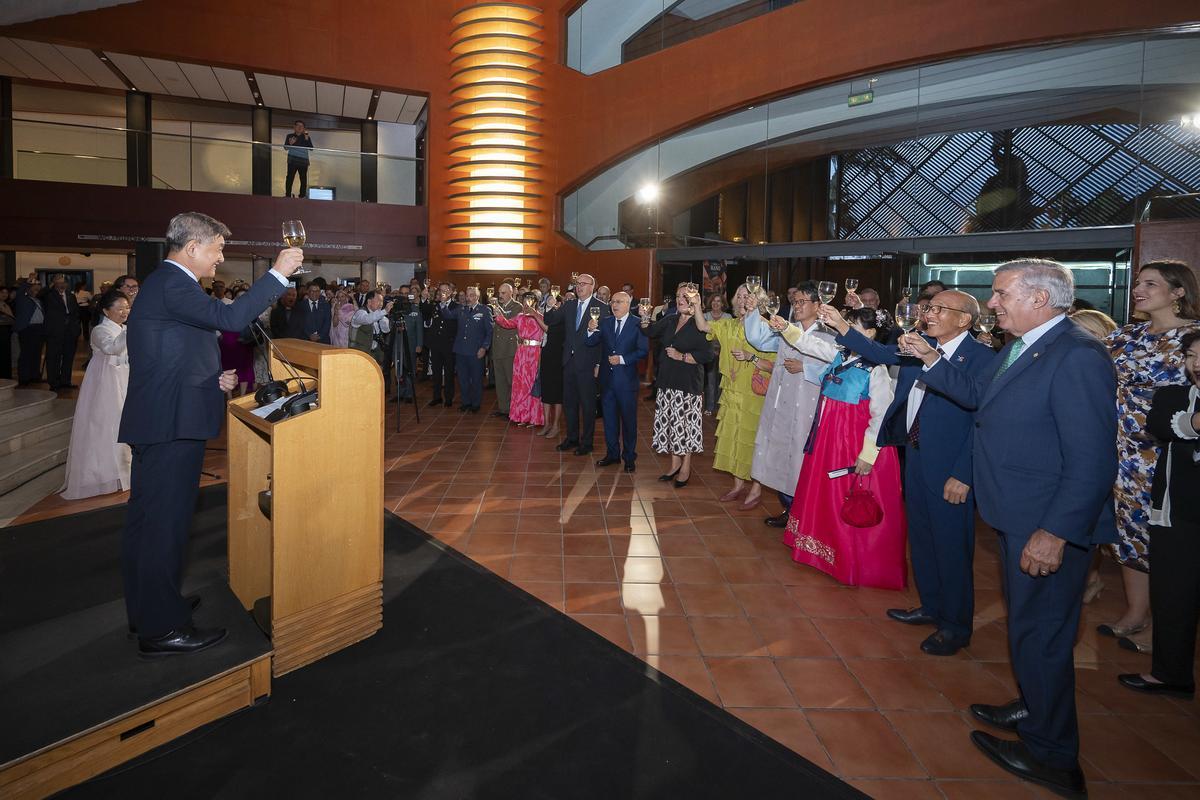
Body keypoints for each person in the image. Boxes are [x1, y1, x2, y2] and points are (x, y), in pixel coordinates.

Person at [900, 258, 1116, 798]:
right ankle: (1034, 708)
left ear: (1040, 299)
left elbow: (1092, 458)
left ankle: (1052, 755)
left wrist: (1055, 532)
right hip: (1018, 512)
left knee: (1042, 634)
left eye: (1000, 294)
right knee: (1029, 628)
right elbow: (980, 397)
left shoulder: (1076, 355)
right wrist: (930, 358)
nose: (992, 303)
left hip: (1044, 521)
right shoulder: (1024, 347)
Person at [120, 211, 302, 657]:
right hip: (170, 422)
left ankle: (150, 607)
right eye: (218, 249)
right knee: (163, 526)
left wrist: (210, 377)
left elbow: (171, 349)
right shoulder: (173, 283)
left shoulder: (167, 285)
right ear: (193, 247)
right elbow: (232, 317)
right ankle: (161, 630)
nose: (221, 259)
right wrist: (278, 273)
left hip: (165, 415)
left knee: (149, 523)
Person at [827, 290, 996, 654]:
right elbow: (880, 353)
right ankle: (931, 606)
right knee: (921, 539)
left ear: (964, 319)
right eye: (927, 308)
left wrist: (965, 473)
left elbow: (981, 418)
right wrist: (841, 325)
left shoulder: (982, 358)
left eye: (938, 309)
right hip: (916, 456)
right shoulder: (922, 345)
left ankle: (955, 626)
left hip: (951, 468)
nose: (928, 313)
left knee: (951, 548)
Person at [1099, 260, 1199, 653]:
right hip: (1122, 447)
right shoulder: (1126, 335)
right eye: (1138, 283)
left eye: (1151, 284)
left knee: (1166, 538)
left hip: (1169, 449)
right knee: (1129, 530)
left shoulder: (1192, 338)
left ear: (1178, 292)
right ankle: (1135, 612)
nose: (1139, 289)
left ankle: (1164, 624)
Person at [768, 308, 905, 589]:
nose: (845, 330)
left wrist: (868, 454)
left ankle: (850, 560)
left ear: (869, 334)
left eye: (852, 325)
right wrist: (786, 328)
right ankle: (820, 550)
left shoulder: (876, 369)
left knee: (848, 498)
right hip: (829, 439)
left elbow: (880, 416)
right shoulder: (840, 355)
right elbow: (810, 344)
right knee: (824, 495)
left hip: (853, 444)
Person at [1118, 330, 1200, 699]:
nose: (1196, 364)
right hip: (1178, 513)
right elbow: (1164, 426)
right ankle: (1171, 674)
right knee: (1173, 594)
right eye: (1191, 356)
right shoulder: (1173, 396)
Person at [743, 282, 834, 528]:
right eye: (795, 301)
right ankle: (789, 509)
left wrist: (806, 368)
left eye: (803, 301)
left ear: (817, 305)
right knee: (781, 454)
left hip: (807, 405)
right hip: (781, 402)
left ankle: (805, 515)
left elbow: (837, 370)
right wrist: (752, 312)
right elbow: (759, 340)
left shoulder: (829, 335)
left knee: (800, 458)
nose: (797, 306)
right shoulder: (787, 329)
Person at [61, 291, 133, 500]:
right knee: (105, 426)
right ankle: (103, 474)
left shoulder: (126, 329)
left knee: (123, 424)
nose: (125, 312)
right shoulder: (100, 330)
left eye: (127, 307)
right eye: (120, 308)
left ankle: (123, 473)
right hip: (105, 383)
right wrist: (133, 330)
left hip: (125, 380)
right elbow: (112, 348)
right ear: (106, 311)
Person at [708, 283, 772, 508]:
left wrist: (751, 357)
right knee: (733, 437)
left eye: (748, 296)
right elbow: (704, 326)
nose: (743, 300)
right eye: (740, 295)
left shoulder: (766, 327)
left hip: (754, 394)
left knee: (752, 441)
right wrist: (695, 305)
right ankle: (737, 486)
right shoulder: (730, 324)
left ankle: (756, 489)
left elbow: (776, 365)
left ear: (758, 301)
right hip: (731, 390)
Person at [641, 287, 712, 487]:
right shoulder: (671, 319)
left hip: (687, 384)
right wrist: (644, 316)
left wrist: (682, 356)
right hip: (666, 381)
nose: (680, 299)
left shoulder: (701, 324)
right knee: (671, 425)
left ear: (694, 300)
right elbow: (649, 331)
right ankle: (674, 465)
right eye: (678, 296)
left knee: (685, 428)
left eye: (685, 297)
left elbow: (708, 355)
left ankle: (685, 467)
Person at [544, 273, 609, 455]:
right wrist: (549, 306)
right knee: (569, 403)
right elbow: (551, 320)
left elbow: (603, 340)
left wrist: (598, 364)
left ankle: (587, 442)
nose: (579, 286)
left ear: (592, 287)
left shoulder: (602, 308)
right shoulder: (569, 305)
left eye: (583, 283)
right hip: (569, 362)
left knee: (588, 405)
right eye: (577, 283)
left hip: (588, 364)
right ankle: (572, 438)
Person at [588, 291, 647, 471]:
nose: (614, 305)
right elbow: (590, 342)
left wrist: (622, 359)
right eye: (613, 301)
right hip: (607, 382)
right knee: (609, 421)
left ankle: (629, 457)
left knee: (629, 422)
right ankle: (612, 454)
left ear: (628, 304)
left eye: (619, 302)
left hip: (627, 382)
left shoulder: (638, 324)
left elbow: (643, 350)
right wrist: (590, 330)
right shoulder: (605, 322)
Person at [492, 292, 546, 427]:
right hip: (521, 352)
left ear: (535, 302)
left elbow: (546, 329)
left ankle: (534, 418)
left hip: (534, 353)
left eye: (530, 300)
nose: (527, 302)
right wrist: (498, 314)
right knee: (520, 384)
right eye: (525, 300)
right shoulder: (520, 316)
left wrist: (535, 314)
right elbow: (508, 324)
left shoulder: (540, 316)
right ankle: (521, 415)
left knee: (532, 384)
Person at [442, 286, 492, 413]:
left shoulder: (484, 310)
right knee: (462, 379)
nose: (468, 298)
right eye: (467, 295)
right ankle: (466, 402)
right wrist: (443, 302)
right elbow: (448, 315)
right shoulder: (461, 309)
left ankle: (475, 403)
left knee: (476, 379)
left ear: (477, 297)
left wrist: (484, 347)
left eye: (471, 295)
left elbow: (489, 331)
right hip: (460, 350)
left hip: (476, 351)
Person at [423, 282, 458, 407]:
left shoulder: (456, 306)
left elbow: (453, 323)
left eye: (445, 290)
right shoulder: (435, 305)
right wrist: (424, 298)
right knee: (436, 372)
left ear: (451, 292)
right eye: (441, 290)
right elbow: (425, 311)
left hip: (449, 344)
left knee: (449, 373)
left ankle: (448, 398)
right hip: (436, 344)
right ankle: (436, 396)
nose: (442, 293)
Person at [43, 273, 81, 390]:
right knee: (53, 357)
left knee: (68, 357)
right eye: (59, 282)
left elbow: (76, 313)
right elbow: (40, 294)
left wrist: (76, 328)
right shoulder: (48, 295)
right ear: (54, 283)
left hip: (70, 332)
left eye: (64, 282)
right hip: (54, 332)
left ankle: (65, 381)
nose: (62, 285)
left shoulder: (71, 296)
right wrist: (50, 285)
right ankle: (53, 382)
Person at [490, 282, 520, 418]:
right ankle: (503, 409)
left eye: (503, 293)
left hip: (509, 349)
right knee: (500, 382)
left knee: (511, 381)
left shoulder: (517, 307)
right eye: (499, 293)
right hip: (497, 348)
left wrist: (498, 311)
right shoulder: (498, 306)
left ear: (511, 293)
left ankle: (514, 410)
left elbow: (509, 322)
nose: (500, 295)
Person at [537, 292, 565, 439]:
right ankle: (547, 424)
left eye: (557, 304)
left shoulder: (563, 320)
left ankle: (556, 425)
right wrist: (547, 308)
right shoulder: (551, 315)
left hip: (558, 357)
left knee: (557, 393)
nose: (554, 306)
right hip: (547, 355)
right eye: (552, 304)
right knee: (546, 390)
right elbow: (547, 319)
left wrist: (534, 315)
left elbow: (549, 329)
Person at [13, 281, 46, 385]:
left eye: (37, 289)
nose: (36, 291)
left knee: (37, 353)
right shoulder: (22, 299)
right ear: (28, 289)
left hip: (39, 329)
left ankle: (34, 376)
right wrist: (28, 281)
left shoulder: (39, 300)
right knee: (26, 353)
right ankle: (24, 378)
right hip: (27, 329)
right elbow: (20, 291)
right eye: (33, 289)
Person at [350, 291, 393, 367]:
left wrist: (383, 317)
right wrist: (384, 311)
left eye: (382, 301)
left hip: (377, 352)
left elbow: (386, 330)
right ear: (369, 301)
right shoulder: (360, 313)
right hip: (361, 353)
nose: (381, 304)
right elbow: (367, 319)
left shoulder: (379, 314)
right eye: (378, 301)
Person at [703, 293, 728, 415]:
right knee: (711, 379)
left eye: (718, 301)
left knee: (722, 381)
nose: (716, 303)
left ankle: (720, 407)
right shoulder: (705, 316)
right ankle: (709, 407)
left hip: (725, 352)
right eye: (713, 301)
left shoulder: (728, 317)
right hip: (709, 352)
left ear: (722, 304)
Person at [284, 120, 313, 198]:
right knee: (290, 178)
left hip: (303, 160)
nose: (300, 127)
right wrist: (290, 144)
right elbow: (285, 148)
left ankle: (302, 196)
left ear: (304, 128)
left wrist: (307, 139)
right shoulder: (290, 136)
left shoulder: (306, 137)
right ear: (294, 127)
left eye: (302, 126)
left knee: (303, 179)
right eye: (298, 125)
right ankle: (287, 195)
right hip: (292, 160)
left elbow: (311, 148)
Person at [0, 286, 13, 380]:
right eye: (2, 292)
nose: (4, 294)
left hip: (6, 332)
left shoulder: (6, 304)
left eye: (6, 293)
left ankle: (6, 376)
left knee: (6, 354)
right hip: (1, 331)